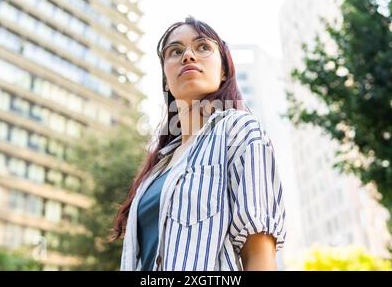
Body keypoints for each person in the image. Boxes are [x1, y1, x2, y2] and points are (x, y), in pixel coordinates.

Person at [113, 16, 286, 271]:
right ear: (165, 79)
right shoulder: (159, 165)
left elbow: (259, 253)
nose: (188, 56)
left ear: (224, 69)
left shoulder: (238, 130)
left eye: (203, 47)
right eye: (175, 51)